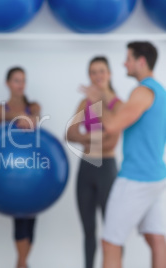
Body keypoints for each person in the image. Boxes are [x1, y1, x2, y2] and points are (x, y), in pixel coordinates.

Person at [95, 42, 166, 268]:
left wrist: (96, 103)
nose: (125, 63)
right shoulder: (160, 92)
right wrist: (109, 98)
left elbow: (114, 125)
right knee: (156, 238)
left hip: (135, 178)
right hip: (155, 177)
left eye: (128, 58)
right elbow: (130, 113)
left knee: (110, 243)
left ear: (141, 61)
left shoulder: (142, 91)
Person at [67, 57, 122, 268]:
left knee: (112, 231)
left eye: (101, 71)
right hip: (86, 169)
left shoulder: (117, 103)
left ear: (109, 74)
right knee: (88, 231)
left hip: (106, 169)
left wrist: (86, 137)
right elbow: (70, 133)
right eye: (93, 72)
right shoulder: (85, 102)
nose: (97, 76)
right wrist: (96, 137)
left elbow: (112, 142)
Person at [0, 67, 41, 268]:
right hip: (10, 172)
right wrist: (20, 118)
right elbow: (1, 115)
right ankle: (22, 263)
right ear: (8, 83)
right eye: (16, 80)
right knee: (20, 218)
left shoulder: (34, 106)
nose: (20, 85)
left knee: (31, 219)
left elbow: (34, 119)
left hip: (34, 171)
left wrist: (24, 118)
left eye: (23, 81)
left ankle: (21, 262)